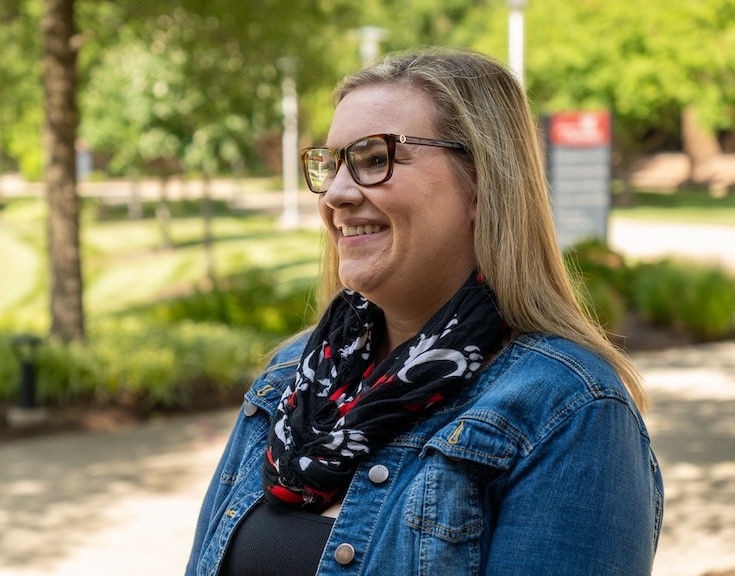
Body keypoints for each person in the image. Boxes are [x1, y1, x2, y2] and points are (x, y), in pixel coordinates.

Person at [186, 47, 663, 576]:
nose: (337, 195)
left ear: (483, 180)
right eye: (332, 163)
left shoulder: (566, 411)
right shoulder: (287, 381)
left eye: (374, 159)